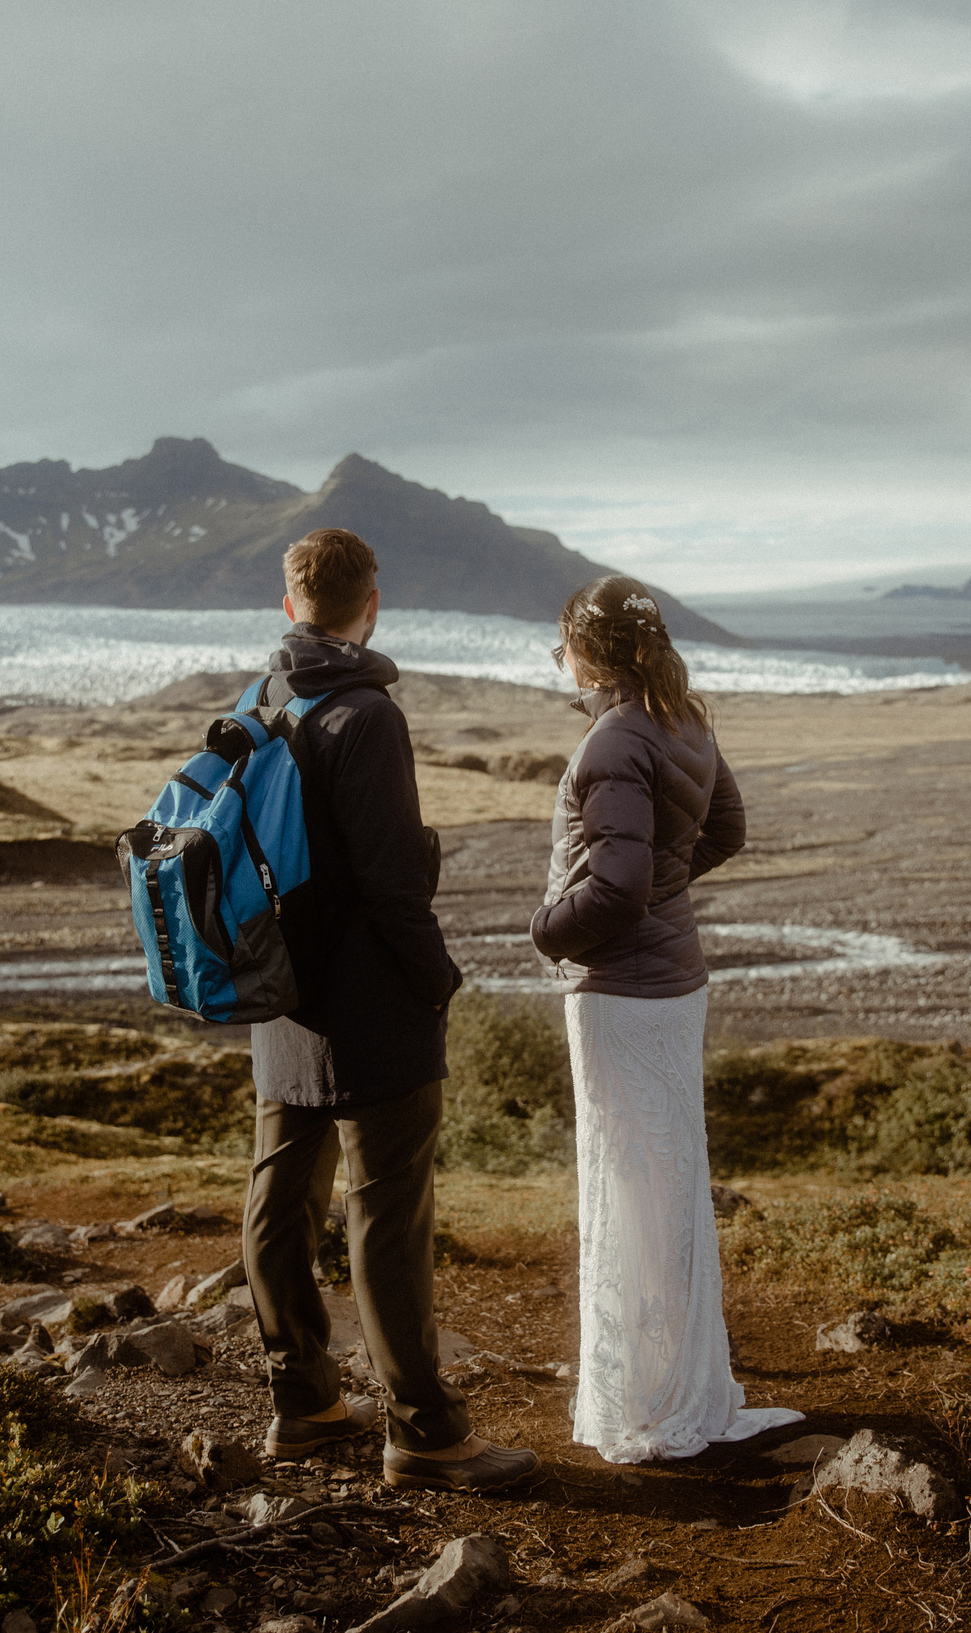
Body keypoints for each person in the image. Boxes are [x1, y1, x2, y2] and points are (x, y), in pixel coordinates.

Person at [240, 526, 539, 1492]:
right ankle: (424, 1432)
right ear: (373, 604)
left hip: (285, 1003)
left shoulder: (263, 703)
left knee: (280, 1202)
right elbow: (391, 882)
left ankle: (305, 1404)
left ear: (290, 605)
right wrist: (437, 976)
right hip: (371, 1008)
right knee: (386, 1218)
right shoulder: (367, 715)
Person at [533, 575, 806, 1464]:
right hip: (675, 982)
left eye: (565, 647)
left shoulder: (614, 738)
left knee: (626, 1181)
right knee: (667, 1181)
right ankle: (675, 1382)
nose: (562, 661)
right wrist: (667, 890)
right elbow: (724, 830)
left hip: (619, 989)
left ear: (589, 651)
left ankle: (645, 1401)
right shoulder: (683, 719)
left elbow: (615, 887)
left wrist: (547, 930)